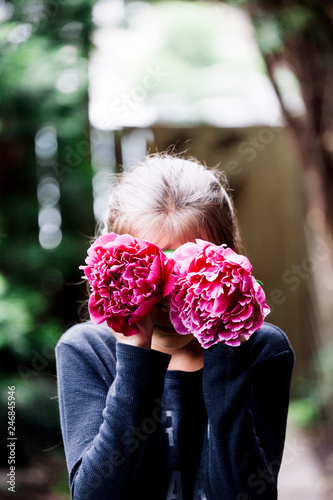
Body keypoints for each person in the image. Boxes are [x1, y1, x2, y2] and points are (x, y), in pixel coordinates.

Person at [55, 152, 294, 500]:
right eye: (151, 269)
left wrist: (224, 335)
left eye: (188, 271)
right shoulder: (87, 350)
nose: (167, 298)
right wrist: (134, 355)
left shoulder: (261, 349)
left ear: (227, 264)